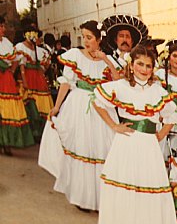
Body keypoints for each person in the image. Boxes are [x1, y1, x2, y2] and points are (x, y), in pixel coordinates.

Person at [92, 43, 177, 224]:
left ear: (153, 68)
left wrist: (160, 134)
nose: (144, 69)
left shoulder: (158, 91)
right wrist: (114, 126)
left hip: (148, 145)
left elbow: (172, 114)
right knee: (128, 190)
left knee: (148, 192)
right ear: (131, 65)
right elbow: (98, 103)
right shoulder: (121, 87)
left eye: (148, 66)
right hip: (127, 142)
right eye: (140, 64)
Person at [39, 20, 119, 212]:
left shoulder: (108, 60)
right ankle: (81, 195)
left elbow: (118, 81)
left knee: (101, 150)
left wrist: (106, 60)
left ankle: (100, 197)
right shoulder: (75, 55)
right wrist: (57, 107)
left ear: (99, 39)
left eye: (90, 37)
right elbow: (66, 83)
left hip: (100, 107)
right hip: (78, 105)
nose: (86, 41)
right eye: (84, 37)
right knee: (81, 147)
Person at [0, 16, 35, 155]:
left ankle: (7, 142)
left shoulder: (7, 43)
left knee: (8, 110)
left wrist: (11, 71)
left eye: (3, 26)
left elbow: (16, 59)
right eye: (1, 26)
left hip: (6, 79)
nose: (3, 29)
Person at [15, 27, 54, 141]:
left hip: (38, 79)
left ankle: (42, 131)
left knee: (42, 104)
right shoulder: (20, 47)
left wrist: (41, 73)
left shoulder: (40, 51)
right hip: (27, 78)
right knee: (29, 104)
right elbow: (21, 66)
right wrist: (24, 80)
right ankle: (32, 132)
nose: (33, 37)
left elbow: (45, 65)